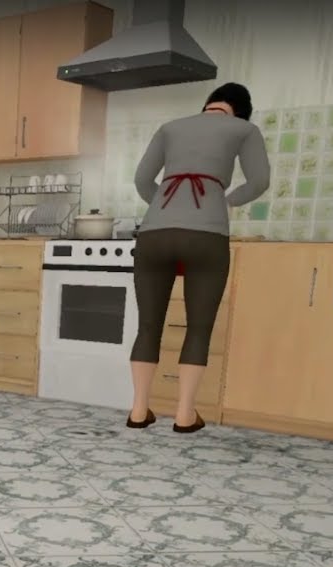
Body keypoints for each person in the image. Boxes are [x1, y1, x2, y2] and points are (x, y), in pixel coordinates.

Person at [128, 82, 272, 433]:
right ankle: (184, 414)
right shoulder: (244, 129)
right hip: (206, 234)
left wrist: (165, 208)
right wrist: (224, 201)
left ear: (208, 104)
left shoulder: (170, 127)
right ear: (241, 110)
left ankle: (139, 410)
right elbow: (259, 182)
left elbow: (142, 179)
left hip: (154, 233)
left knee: (148, 326)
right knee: (199, 327)